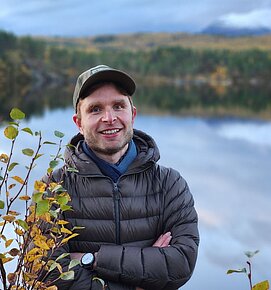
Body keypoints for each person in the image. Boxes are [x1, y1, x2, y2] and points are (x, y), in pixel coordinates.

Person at [44, 64, 199, 290]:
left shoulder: (169, 184)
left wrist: (92, 259)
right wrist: (141, 279)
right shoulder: (55, 187)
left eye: (118, 106)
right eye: (95, 109)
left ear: (132, 114)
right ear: (78, 123)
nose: (109, 118)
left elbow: (181, 264)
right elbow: (48, 273)